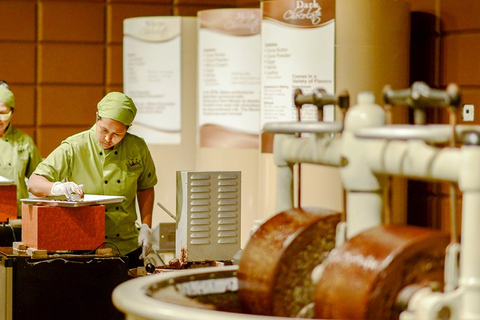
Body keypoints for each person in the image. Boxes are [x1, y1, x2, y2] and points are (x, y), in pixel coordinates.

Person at [28, 92, 157, 268]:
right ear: (96, 117)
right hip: (82, 248)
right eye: (104, 130)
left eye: (117, 134)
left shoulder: (138, 147)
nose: (108, 139)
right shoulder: (75, 146)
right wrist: (56, 188)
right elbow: (34, 182)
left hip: (126, 245)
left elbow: (145, 187)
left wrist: (146, 226)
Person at [0, 85, 43, 217]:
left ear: (12, 113)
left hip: (18, 214)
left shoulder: (24, 141)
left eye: (3, 113)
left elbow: (40, 177)